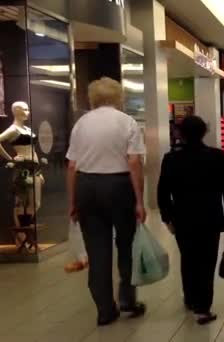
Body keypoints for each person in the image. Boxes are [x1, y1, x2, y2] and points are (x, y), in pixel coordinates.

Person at [66, 77, 147, 326]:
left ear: (93, 98)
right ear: (118, 97)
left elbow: (72, 166)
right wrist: (139, 201)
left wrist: (72, 202)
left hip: (87, 187)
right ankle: (127, 300)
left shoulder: (81, 124)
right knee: (126, 246)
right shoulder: (127, 122)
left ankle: (104, 310)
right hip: (119, 186)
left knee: (97, 251)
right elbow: (134, 162)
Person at [157, 115, 224, 325]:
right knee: (207, 261)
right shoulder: (217, 157)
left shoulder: (171, 159)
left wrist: (167, 217)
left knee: (188, 258)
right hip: (210, 217)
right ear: (204, 132)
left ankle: (190, 298)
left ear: (180, 133)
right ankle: (203, 308)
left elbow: (163, 192)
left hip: (182, 218)